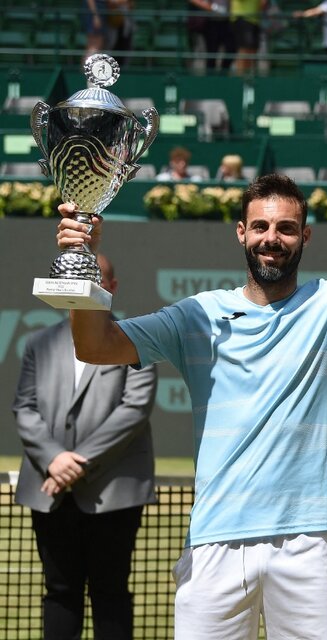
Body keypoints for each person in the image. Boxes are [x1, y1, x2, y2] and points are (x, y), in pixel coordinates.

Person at [54, 123, 327, 639]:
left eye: (287, 228)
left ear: (305, 236)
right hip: (216, 543)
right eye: (262, 227)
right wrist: (81, 267)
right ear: (242, 233)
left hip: (308, 542)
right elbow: (94, 346)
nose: (273, 238)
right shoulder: (196, 316)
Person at [13, 254, 158, 640]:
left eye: (96, 282)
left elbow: (135, 409)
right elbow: (24, 408)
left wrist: (76, 464)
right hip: (51, 492)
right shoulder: (38, 343)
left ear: (111, 287)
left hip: (114, 494)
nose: (87, 291)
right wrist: (54, 459)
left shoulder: (135, 341)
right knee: (60, 593)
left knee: (110, 593)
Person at [188, 0, 236, 72]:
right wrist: (214, 8)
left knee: (231, 49)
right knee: (211, 53)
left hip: (228, 22)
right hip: (211, 22)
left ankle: (223, 75)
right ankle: (210, 80)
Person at [229, 0, 267, 74]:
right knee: (244, 51)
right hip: (241, 18)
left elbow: (262, 5)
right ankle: (240, 80)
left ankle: (248, 78)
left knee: (252, 52)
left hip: (255, 20)